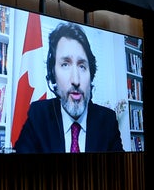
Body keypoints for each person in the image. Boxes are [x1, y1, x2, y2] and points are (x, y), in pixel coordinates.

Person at [14, 21, 124, 153]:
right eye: (65, 64)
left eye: (82, 66)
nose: (76, 80)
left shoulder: (107, 121)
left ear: (91, 74)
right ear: (53, 73)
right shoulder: (38, 115)